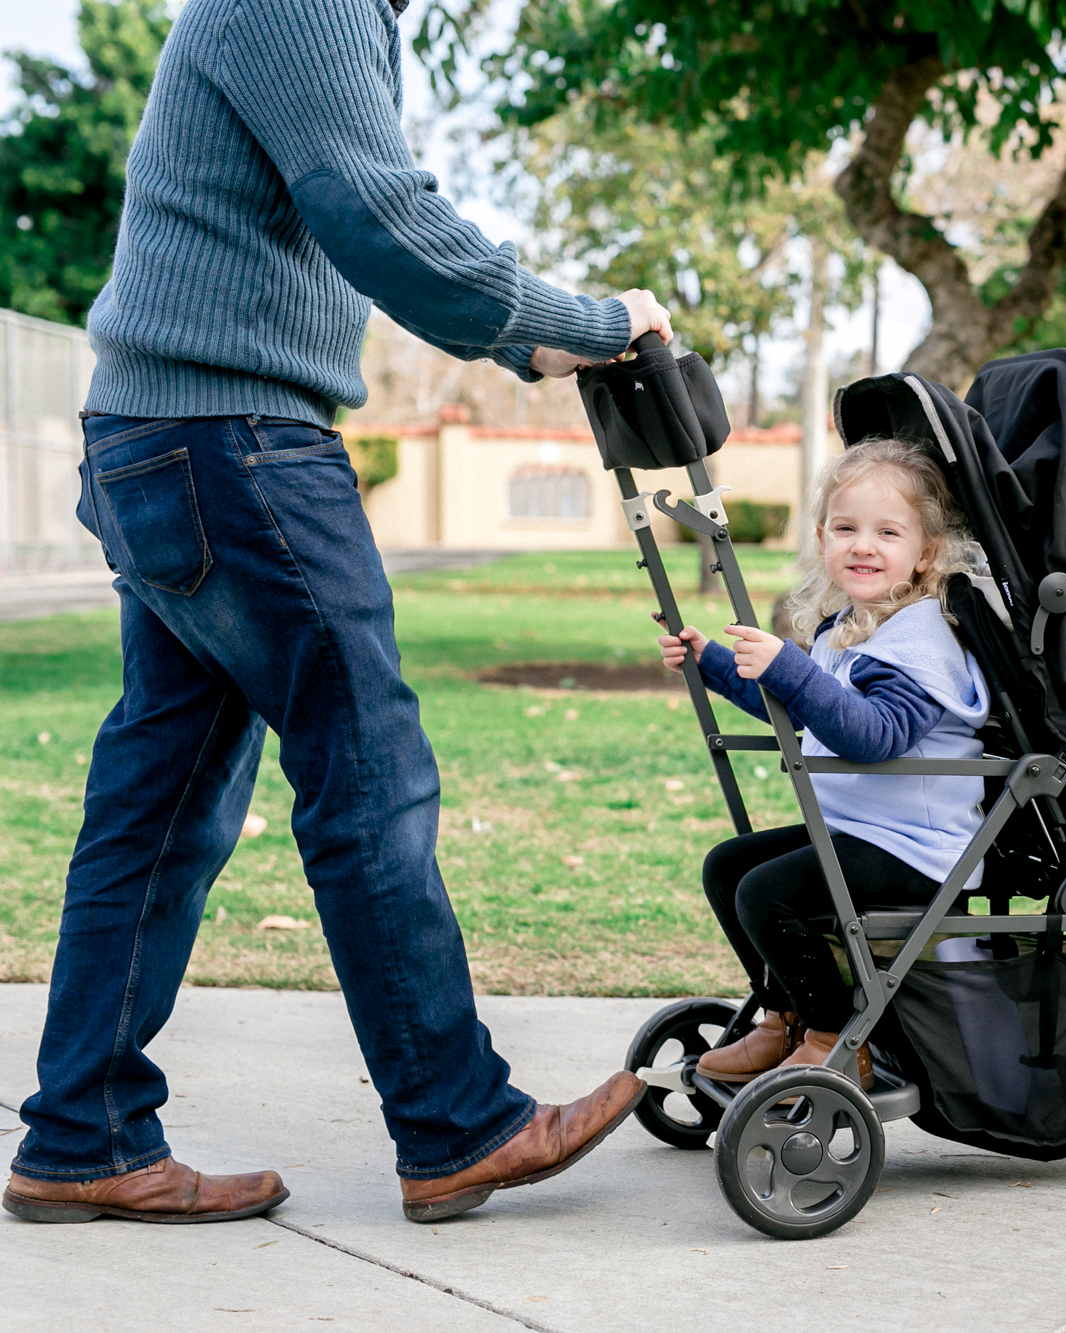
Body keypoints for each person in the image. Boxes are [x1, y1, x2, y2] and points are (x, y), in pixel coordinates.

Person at [5, 0, 668, 1227]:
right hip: (237, 446)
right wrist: (588, 324)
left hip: (161, 436)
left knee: (159, 803)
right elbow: (383, 215)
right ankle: (456, 1124)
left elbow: (352, 215)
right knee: (368, 776)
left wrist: (527, 351)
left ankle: (79, 1135)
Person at [657, 440, 990, 1090]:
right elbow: (808, 712)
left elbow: (873, 735)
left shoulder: (922, 640)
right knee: (730, 866)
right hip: (865, 835)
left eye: (887, 532)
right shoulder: (853, 625)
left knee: (767, 891)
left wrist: (790, 665)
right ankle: (782, 1017)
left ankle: (833, 1034)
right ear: (822, 538)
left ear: (925, 551)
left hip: (921, 852)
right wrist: (715, 664)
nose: (863, 544)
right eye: (846, 528)